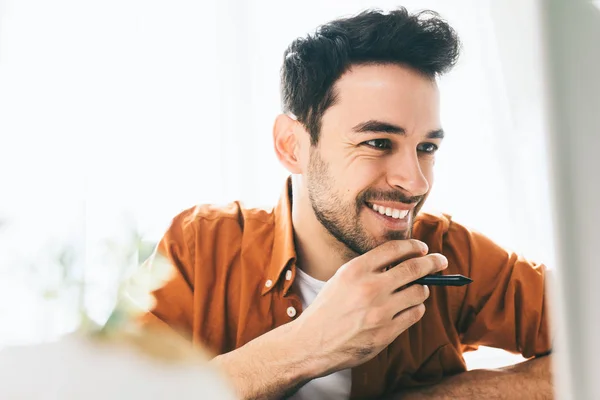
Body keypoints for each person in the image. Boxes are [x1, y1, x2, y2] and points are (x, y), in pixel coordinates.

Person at [140, 7, 553, 399]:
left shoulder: (452, 254)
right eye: (378, 142)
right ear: (292, 146)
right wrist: (306, 345)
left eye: (426, 146)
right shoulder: (200, 247)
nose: (415, 181)